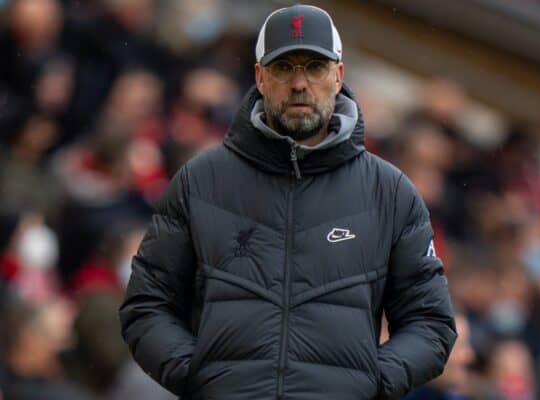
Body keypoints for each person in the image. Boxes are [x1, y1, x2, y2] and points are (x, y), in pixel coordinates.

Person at [119, 4, 456, 400]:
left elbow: (431, 323)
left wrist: (371, 383)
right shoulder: (200, 181)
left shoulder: (391, 193)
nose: (300, 83)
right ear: (260, 77)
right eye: (284, 67)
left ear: (338, 75)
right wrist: (199, 377)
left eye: (314, 67)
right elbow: (146, 305)